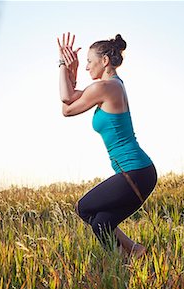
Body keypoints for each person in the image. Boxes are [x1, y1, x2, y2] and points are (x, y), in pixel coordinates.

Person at [57, 32, 157, 258]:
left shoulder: (107, 87)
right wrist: (70, 73)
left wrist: (64, 64)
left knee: (83, 208)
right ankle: (131, 256)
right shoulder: (109, 87)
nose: (86, 68)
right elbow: (67, 109)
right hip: (138, 173)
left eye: (89, 62)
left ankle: (128, 254)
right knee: (100, 222)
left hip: (136, 172)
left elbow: (66, 98)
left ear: (104, 61)